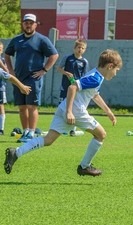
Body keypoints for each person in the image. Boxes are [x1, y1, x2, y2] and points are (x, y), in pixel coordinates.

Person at [4, 49, 122, 177]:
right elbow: (73, 87)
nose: (115, 74)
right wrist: (70, 112)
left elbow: (94, 95)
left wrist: (108, 111)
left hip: (64, 107)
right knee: (101, 135)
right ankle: (84, 166)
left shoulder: (95, 75)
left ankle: (16, 152)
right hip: (76, 111)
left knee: (48, 139)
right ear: (110, 66)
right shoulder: (96, 78)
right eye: (116, 70)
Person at [4, 13, 59, 143]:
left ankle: (32, 132)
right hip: (18, 78)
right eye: (26, 23)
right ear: (23, 24)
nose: (28, 25)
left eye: (31, 23)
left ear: (35, 25)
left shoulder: (42, 39)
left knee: (31, 106)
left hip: (33, 78)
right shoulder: (17, 39)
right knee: (22, 107)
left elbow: (54, 55)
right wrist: (11, 70)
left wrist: (44, 70)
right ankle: (25, 132)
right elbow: (7, 55)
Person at [57, 39, 90, 136]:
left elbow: (85, 76)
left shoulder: (84, 62)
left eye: (83, 48)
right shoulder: (67, 58)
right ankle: (62, 127)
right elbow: (59, 69)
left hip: (76, 89)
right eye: (79, 47)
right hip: (65, 87)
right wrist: (66, 73)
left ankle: (73, 129)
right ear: (74, 48)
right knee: (62, 106)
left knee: (74, 107)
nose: (80, 49)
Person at [0, 42, 9, 135]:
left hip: (0, 87)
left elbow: (7, 72)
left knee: (0, 106)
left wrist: (1, 64)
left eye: (0, 48)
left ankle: (1, 129)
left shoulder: (3, 60)